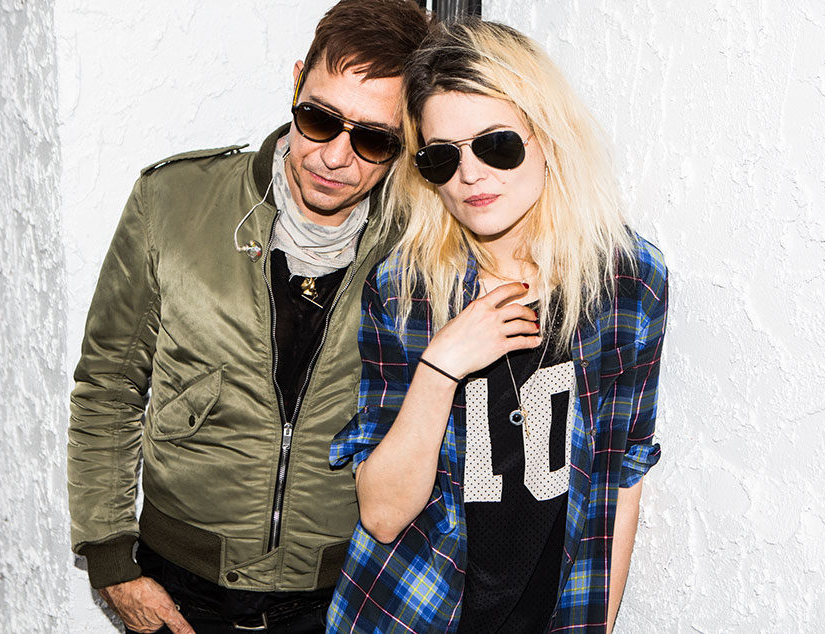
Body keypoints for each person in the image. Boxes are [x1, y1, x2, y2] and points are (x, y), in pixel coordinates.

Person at [67, 2, 430, 632]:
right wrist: (112, 562)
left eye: (373, 139)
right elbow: (108, 385)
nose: (335, 157)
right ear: (296, 84)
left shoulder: (424, 249)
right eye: (319, 119)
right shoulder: (174, 202)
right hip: (180, 591)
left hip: (342, 596)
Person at [327, 18, 669, 634]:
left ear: (548, 137)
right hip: (411, 613)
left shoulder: (627, 281)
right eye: (441, 157)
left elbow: (620, 482)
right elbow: (381, 514)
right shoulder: (403, 289)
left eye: (497, 145)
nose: (470, 176)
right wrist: (441, 366)